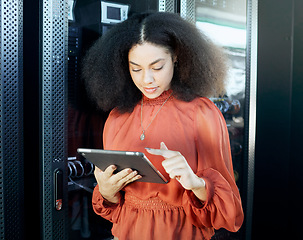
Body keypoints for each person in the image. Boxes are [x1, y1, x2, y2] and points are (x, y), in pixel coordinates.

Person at [83, 12, 244, 240]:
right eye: (136, 69)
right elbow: (112, 210)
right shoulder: (117, 117)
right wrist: (108, 193)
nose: (146, 79)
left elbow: (229, 212)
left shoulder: (201, 113)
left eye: (157, 67)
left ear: (176, 57)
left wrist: (197, 184)